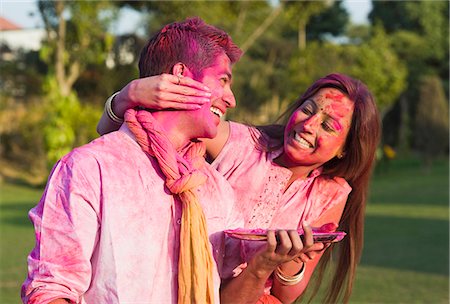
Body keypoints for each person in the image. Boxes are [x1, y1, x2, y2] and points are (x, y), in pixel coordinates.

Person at [98, 72, 381, 303]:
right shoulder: (240, 144)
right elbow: (131, 133)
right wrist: (127, 96)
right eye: (307, 110)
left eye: (328, 126)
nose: (309, 125)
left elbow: (287, 294)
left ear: (345, 149)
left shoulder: (331, 193)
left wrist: (288, 261)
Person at [22, 17, 248, 304]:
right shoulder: (91, 169)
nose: (231, 99)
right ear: (181, 74)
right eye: (223, 80)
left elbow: (230, 291)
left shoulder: (217, 190)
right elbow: (52, 290)